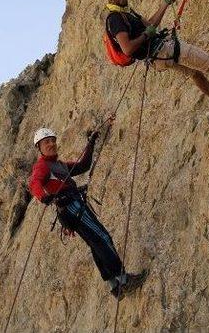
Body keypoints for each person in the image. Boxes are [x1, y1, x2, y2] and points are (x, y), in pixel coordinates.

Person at [28, 126, 147, 299]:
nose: (51, 144)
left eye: (53, 140)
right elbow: (35, 184)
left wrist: (90, 143)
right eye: (46, 142)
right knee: (102, 237)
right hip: (72, 207)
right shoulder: (42, 166)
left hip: (70, 209)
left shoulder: (58, 165)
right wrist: (44, 197)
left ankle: (113, 285)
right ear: (39, 147)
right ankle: (123, 280)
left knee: (95, 243)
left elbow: (83, 165)